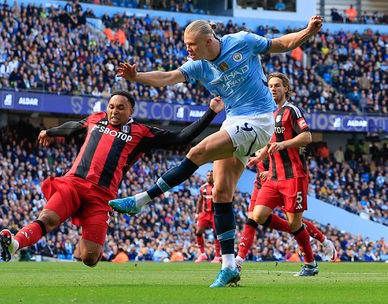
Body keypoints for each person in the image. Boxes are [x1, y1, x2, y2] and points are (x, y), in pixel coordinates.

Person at [109, 16, 324, 287]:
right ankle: (229, 266)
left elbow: (280, 43)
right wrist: (136, 77)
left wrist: (308, 31)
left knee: (198, 151)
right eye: (186, 45)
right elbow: (168, 77)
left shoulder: (242, 42)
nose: (188, 50)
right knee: (221, 193)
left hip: (259, 119)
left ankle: (142, 200)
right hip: (233, 121)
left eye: (192, 45)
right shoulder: (198, 65)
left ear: (208, 41)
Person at [0, 91, 225, 267]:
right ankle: (15, 244)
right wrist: (51, 132)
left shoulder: (141, 132)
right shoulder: (95, 119)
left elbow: (180, 137)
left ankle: (89, 241)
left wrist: (211, 113)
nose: (114, 111)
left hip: (101, 196)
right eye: (111, 107)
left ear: (130, 111)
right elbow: (73, 127)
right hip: (73, 184)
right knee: (48, 218)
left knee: (89, 257)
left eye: (120, 108)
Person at [236, 73, 337, 272]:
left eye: (277, 86)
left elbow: (307, 136)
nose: (273, 89)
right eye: (270, 86)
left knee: (294, 223)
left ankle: (310, 263)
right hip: (273, 177)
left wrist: (284, 144)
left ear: (286, 89)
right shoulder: (269, 113)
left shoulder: (292, 110)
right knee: (258, 215)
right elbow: (271, 142)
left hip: (294, 177)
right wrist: (260, 156)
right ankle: (303, 236)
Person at [194, 171, 221, 263]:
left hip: (215, 213)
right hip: (205, 214)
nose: (209, 177)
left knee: (216, 234)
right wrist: (197, 214)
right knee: (198, 232)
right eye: (208, 175)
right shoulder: (202, 188)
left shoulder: (218, 186)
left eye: (211, 175)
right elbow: (200, 201)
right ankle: (202, 254)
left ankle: (217, 256)